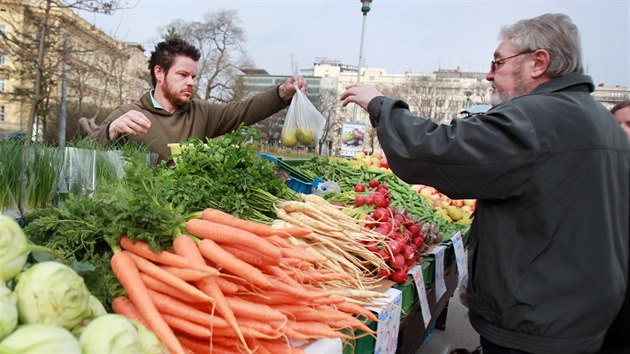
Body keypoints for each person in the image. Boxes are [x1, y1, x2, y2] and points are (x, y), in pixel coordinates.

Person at [340, 13, 629, 354]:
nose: (490, 74)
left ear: (538, 62)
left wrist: (380, 106)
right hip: (581, 317)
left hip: (536, 325)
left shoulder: (538, 118)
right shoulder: (602, 122)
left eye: (498, 62)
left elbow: (442, 149)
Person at [88, 37, 306, 162]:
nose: (191, 82)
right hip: (141, 215)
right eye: (183, 75)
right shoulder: (127, 115)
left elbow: (244, 110)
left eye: (193, 77)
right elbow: (83, 156)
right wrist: (111, 131)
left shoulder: (202, 113)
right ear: (159, 73)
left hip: (190, 216)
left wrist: (282, 93)